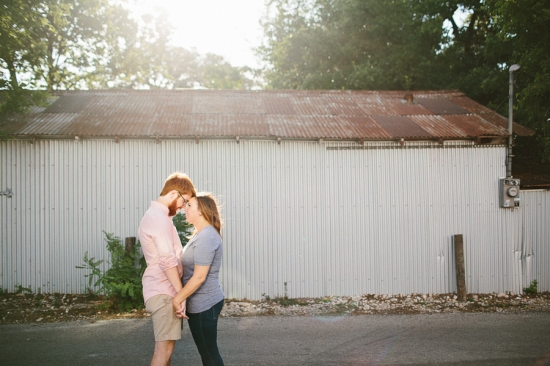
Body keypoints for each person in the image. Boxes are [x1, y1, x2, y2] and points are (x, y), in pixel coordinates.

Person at [138, 172, 196, 366]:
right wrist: (181, 295)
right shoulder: (158, 218)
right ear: (173, 193)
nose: (183, 207)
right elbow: (167, 261)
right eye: (184, 201)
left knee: (167, 350)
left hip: (164, 290)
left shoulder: (160, 217)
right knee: (163, 350)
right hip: (164, 291)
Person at [172, 192, 225, 366]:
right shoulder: (200, 234)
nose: (184, 208)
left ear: (201, 211)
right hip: (200, 304)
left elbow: (200, 276)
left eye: (189, 205)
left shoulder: (207, 236)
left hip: (205, 304)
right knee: (207, 354)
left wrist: (178, 298)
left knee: (209, 355)